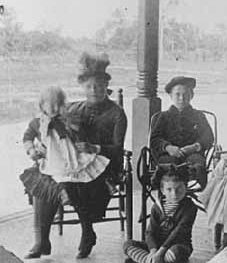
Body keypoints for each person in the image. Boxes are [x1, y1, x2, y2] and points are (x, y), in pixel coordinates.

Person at [20, 87, 110, 259]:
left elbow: (84, 137)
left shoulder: (70, 118)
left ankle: (87, 233)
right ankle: (41, 240)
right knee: (43, 185)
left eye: (57, 103)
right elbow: (27, 137)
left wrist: (74, 127)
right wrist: (32, 149)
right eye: (49, 104)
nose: (53, 107)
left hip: (73, 159)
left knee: (73, 186)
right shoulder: (37, 122)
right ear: (42, 105)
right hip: (52, 161)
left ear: (62, 104)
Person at [66, 52, 128, 257]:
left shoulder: (117, 113)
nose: (94, 90)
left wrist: (95, 148)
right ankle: (86, 231)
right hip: (78, 162)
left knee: (84, 183)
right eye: (90, 86)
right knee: (65, 179)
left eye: (99, 86)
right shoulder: (74, 108)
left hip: (108, 162)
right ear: (83, 88)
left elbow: (118, 148)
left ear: (106, 88)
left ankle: (86, 232)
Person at [123, 164, 198, 263]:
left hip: (178, 244)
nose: (174, 194)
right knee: (128, 244)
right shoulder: (157, 207)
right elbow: (150, 232)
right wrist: (153, 250)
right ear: (162, 190)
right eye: (169, 189)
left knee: (177, 251)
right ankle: (151, 260)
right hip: (157, 246)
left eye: (179, 188)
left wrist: (161, 252)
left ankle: (149, 260)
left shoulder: (190, 207)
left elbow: (179, 232)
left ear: (186, 186)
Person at [150, 76, 215, 188]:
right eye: (177, 94)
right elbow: (155, 139)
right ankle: (168, 197)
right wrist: (168, 147)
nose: (181, 98)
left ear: (192, 96)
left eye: (185, 94)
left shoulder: (198, 116)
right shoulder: (163, 117)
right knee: (167, 166)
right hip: (168, 155)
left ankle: (202, 195)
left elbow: (208, 136)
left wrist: (195, 146)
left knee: (198, 164)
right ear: (170, 96)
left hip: (193, 154)